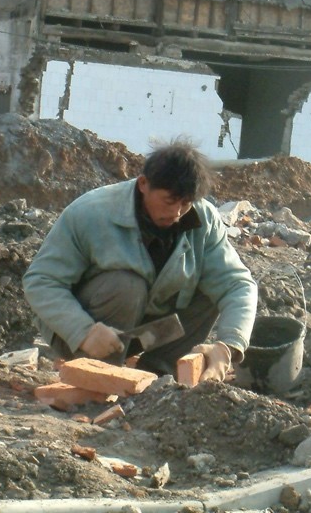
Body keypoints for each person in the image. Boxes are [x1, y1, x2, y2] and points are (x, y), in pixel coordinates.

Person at [23, 139, 257, 381]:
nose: (177, 213)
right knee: (127, 285)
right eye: (169, 201)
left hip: (144, 334)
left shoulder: (204, 219)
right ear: (143, 184)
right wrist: (83, 330)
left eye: (186, 203)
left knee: (211, 289)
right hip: (82, 334)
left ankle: (157, 377)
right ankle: (100, 376)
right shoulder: (90, 213)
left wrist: (229, 346)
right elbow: (40, 281)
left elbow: (237, 284)